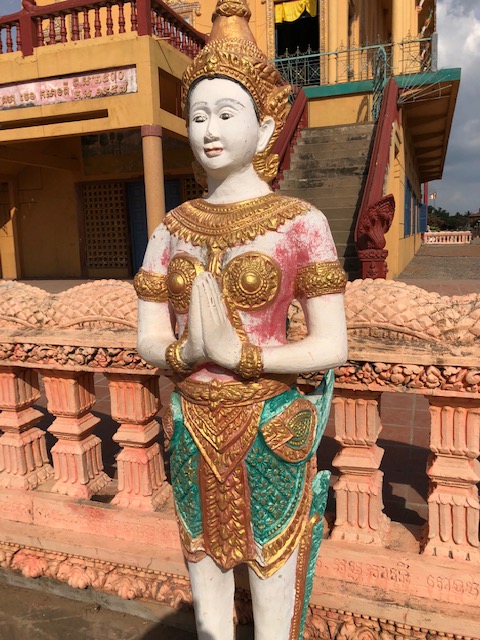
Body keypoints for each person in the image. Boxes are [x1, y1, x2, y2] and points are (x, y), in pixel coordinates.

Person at [135, 1, 348, 637]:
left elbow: (331, 345)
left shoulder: (300, 223)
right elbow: (149, 336)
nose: (209, 130)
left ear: (267, 123)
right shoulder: (171, 229)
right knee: (202, 565)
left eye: (227, 114)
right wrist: (184, 354)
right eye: (198, 115)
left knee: (272, 569)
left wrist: (245, 357)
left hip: (267, 420)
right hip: (191, 419)